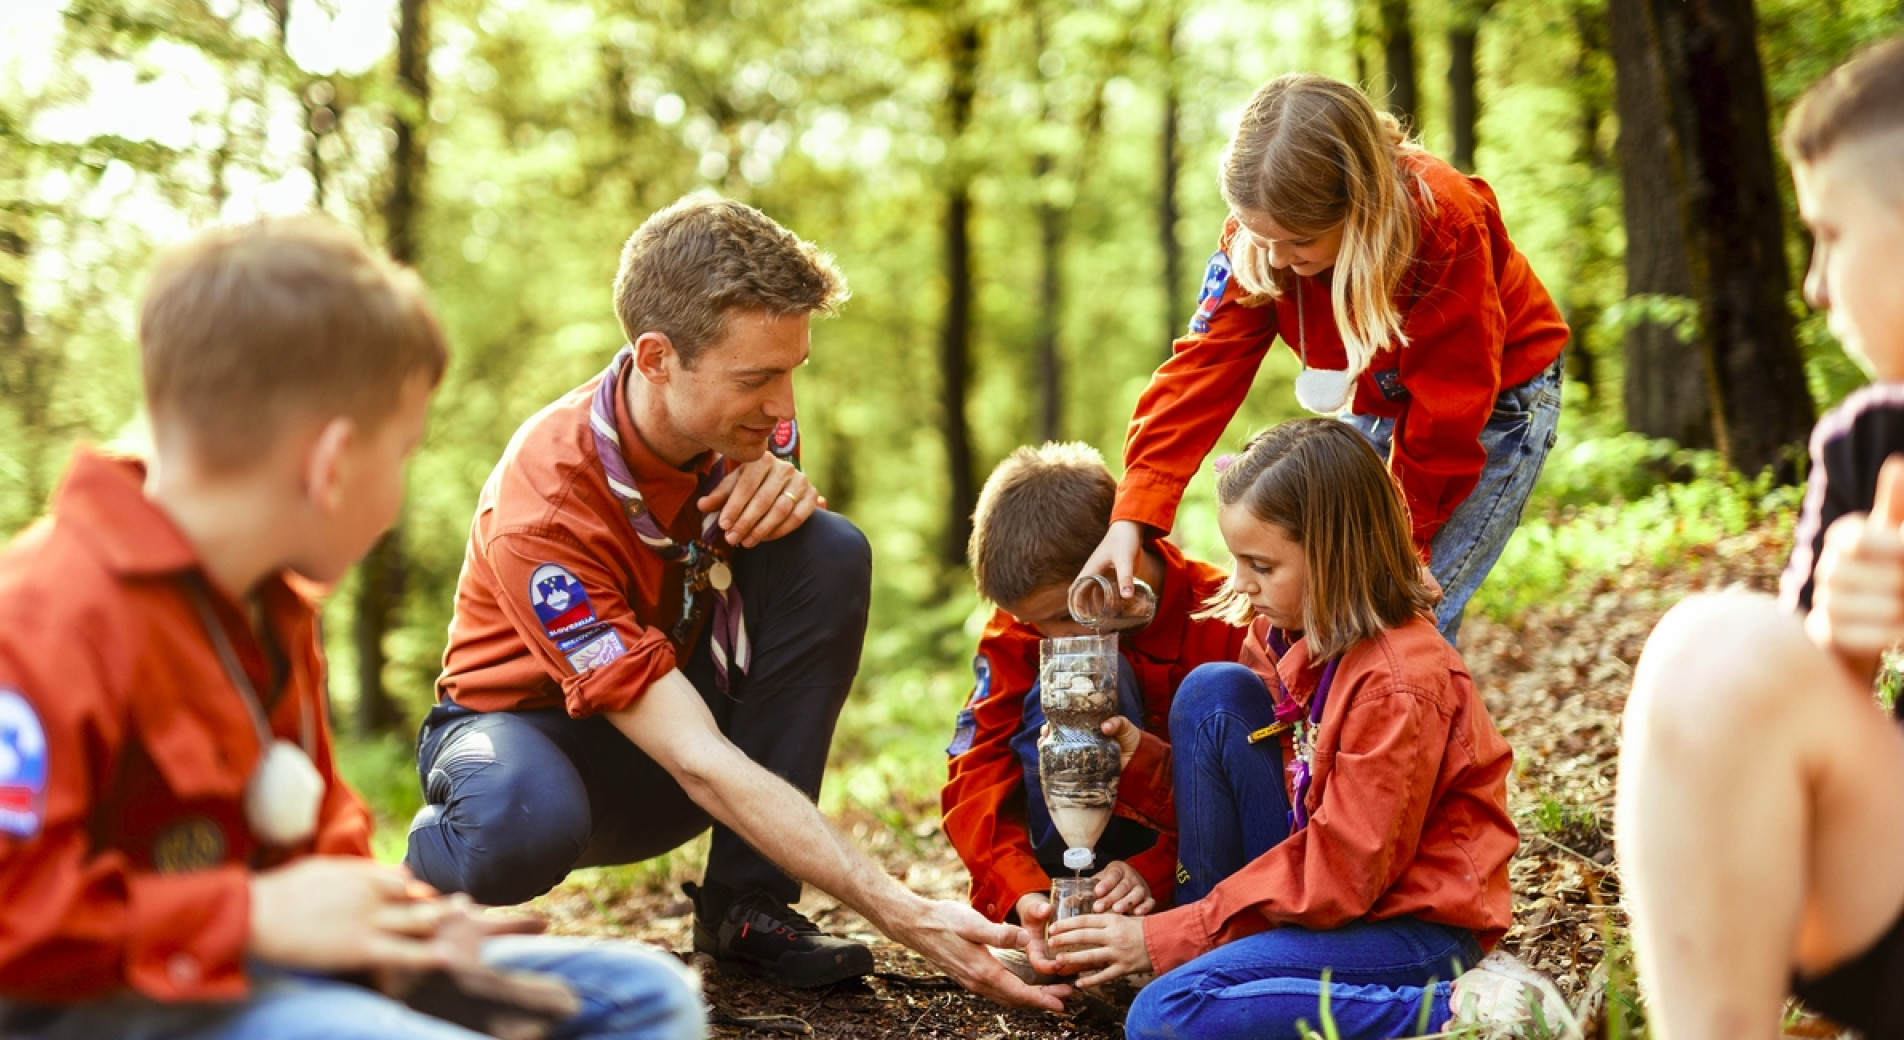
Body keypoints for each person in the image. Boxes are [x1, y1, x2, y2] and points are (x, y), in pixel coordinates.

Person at [0, 217, 707, 1040]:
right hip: (96, 1002)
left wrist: (400, 929)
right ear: (329, 466)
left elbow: (316, 838)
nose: (397, 494)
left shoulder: (270, 609)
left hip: (258, 971)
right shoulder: (39, 619)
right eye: (401, 454)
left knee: (646, 997)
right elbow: (2, 921)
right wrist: (246, 918)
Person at [403, 195, 1063, 1010]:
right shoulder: (545, 511)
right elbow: (695, 757)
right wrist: (902, 911)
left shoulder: (748, 429)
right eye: (756, 379)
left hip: (667, 731)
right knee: (518, 821)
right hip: (527, 749)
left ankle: (747, 906)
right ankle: (406, 894)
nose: (785, 408)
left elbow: (744, 633)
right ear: (656, 358)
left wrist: (784, 496)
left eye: (792, 371)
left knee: (826, 549)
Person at [1046, 418, 1578, 1038]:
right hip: (1332, 902)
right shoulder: (1286, 636)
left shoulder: (1399, 682)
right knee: (1214, 693)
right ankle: (1204, 964)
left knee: (1163, 1017)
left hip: (1410, 928)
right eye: (1236, 560)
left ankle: (1469, 1011)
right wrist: (1139, 759)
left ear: (1334, 557)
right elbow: (1257, 795)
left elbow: (1345, 871)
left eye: (1261, 565)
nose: (1239, 583)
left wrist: (1163, 937)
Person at [1617, 37, 1904, 1040]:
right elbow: (1768, 732)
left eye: (1830, 235)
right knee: (1713, 652)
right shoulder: (1868, 444)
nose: (1815, 286)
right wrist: (1842, 647)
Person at [1084, 73, 1568, 644]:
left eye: (1299, 242)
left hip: (1490, 404)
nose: (1276, 260)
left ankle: (1407, 700)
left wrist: (1402, 540)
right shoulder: (1262, 233)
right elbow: (1202, 370)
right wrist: (1132, 515)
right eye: (1261, 238)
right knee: (1315, 594)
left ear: (1359, 206)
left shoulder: (1444, 220)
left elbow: (1449, 405)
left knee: (1391, 613)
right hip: (1377, 391)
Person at [940, 442, 1244, 959]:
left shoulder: (1226, 615)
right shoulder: (1025, 628)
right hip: (1058, 858)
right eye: (1037, 623)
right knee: (1066, 678)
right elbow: (978, 764)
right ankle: (1064, 914)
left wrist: (1152, 871)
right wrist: (1021, 890)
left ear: (1120, 558)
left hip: (1185, 863)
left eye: (1065, 615)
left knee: (1107, 673)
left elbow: (1253, 788)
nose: (1054, 635)